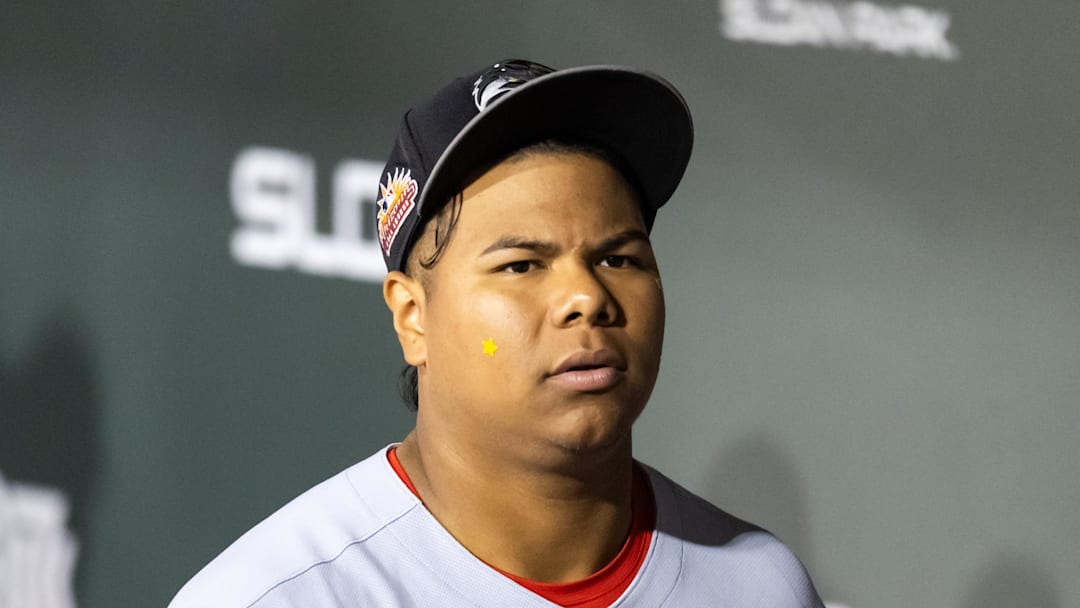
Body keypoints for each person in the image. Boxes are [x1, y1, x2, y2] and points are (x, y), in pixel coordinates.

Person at [170, 59, 824, 607]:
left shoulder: (758, 583)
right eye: (522, 265)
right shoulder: (277, 598)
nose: (586, 298)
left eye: (618, 258)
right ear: (412, 317)